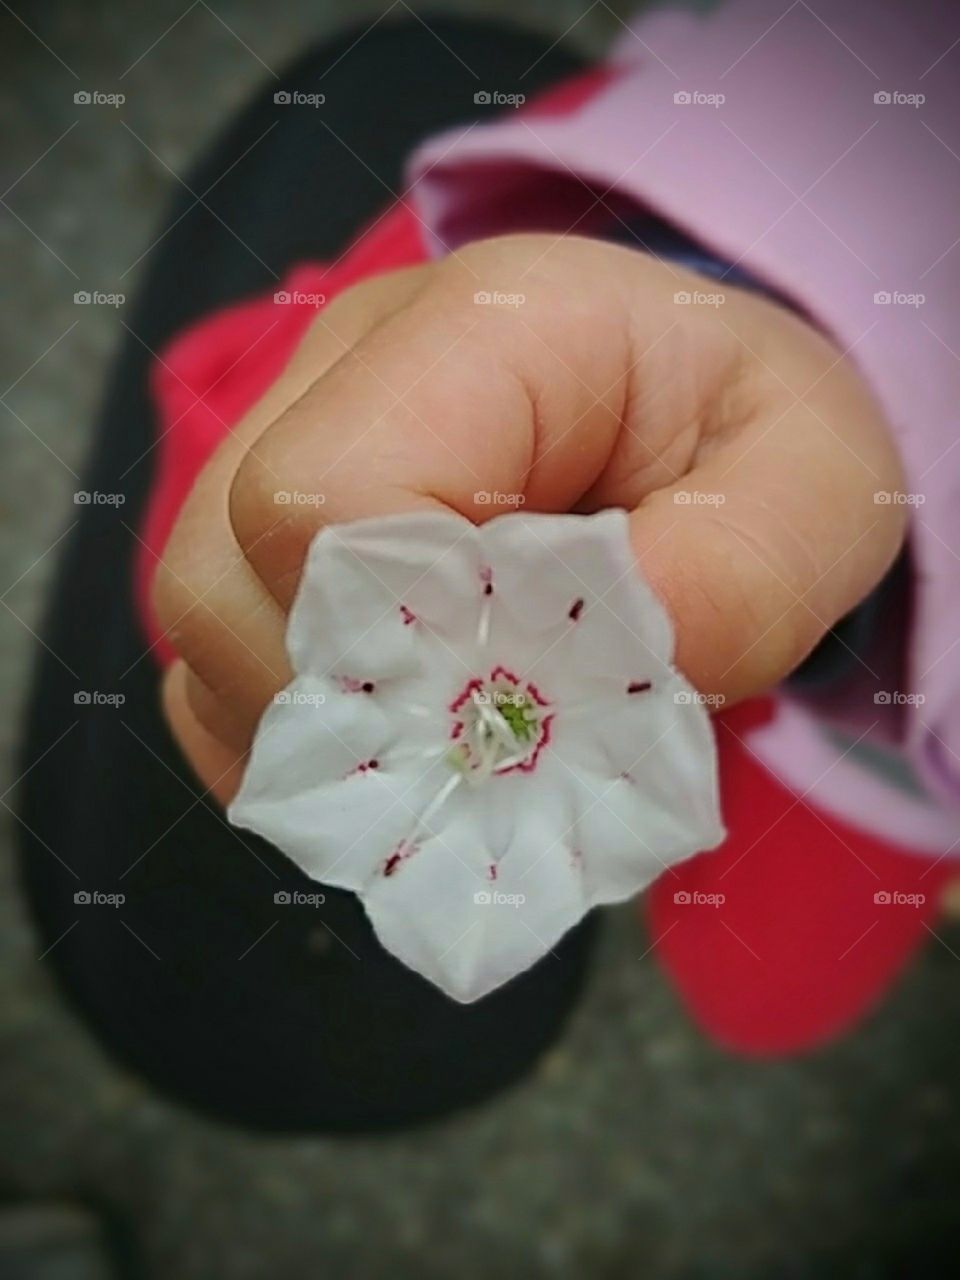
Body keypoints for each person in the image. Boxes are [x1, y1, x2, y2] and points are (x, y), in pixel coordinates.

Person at [18, 1, 959, 1131]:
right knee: (223, 559)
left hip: (902, 713)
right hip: (742, 228)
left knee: (760, 992)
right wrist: (736, 294)